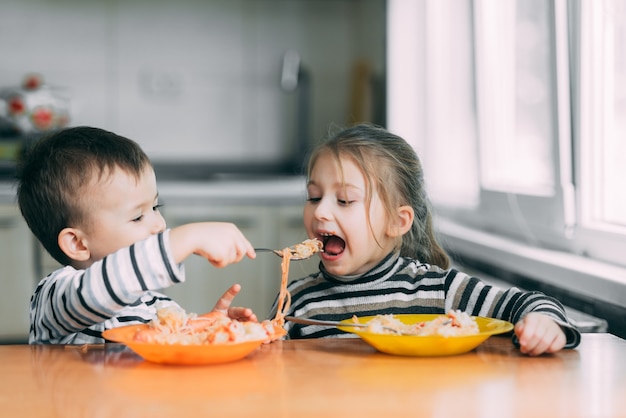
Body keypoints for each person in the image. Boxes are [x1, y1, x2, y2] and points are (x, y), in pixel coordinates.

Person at [269, 123, 581, 356]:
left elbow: (527, 303)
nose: (320, 211)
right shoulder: (296, 302)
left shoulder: (440, 291)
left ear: (396, 221)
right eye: (313, 197)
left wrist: (543, 322)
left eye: (345, 200)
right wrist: (235, 330)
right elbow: (268, 369)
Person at [17, 126, 258, 344]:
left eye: (155, 208)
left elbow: (171, 347)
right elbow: (98, 292)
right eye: (137, 217)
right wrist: (186, 238)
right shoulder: (55, 297)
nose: (159, 225)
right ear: (78, 243)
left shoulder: (158, 305)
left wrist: (208, 326)